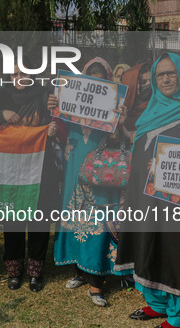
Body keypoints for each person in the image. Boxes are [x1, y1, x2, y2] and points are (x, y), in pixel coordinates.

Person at [114, 53, 180, 328]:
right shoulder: (152, 110)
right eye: (161, 75)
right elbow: (138, 144)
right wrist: (123, 125)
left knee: (174, 251)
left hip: (176, 202)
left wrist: (169, 163)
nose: (166, 79)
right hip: (143, 197)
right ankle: (157, 303)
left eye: (171, 73)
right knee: (147, 243)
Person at [0, 59, 63, 292]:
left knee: (40, 217)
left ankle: (36, 271)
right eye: (15, 74)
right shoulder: (0, 97)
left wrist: (53, 128)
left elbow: (59, 123)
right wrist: (1, 115)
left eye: (25, 72)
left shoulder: (46, 95)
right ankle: (14, 270)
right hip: (10, 168)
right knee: (13, 218)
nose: (20, 78)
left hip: (41, 167)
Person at [54, 58, 129, 305]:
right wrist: (53, 106)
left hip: (100, 169)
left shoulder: (115, 106)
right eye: (90, 77)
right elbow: (59, 127)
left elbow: (120, 141)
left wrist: (120, 120)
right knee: (75, 215)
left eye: (101, 78)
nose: (95, 82)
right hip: (74, 163)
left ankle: (96, 280)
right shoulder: (73, 100)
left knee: (98, 218)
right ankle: (80, 270)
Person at [120, 62, 151, 142]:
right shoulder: (121, 110)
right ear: (132, 84)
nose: (149, 84)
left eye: (151, 81)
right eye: (144, 82)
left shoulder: (156, 108)